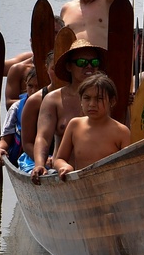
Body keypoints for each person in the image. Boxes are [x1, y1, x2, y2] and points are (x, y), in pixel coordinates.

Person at [32, 35, 106, 177]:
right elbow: (43, 137)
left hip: (101, 174)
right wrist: (40, 164)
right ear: (69, 66)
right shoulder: (53, 99)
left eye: (94, 62)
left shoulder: (108, 98)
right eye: (82, 62)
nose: (89, 66)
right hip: (63, 173)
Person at [52, 74, 130, 176]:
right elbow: (59, 159)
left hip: (111, 187)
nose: (92, 104)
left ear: (112, 101)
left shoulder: (121, 132)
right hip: (81, 187)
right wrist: (64, 166)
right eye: (87, 98)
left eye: (99, 99)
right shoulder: (75, 125)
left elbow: (129, 166)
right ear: (80, 100)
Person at [0, 67, 39, 167]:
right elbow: (5, 139)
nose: (33, 91)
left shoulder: (52, 105)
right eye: (30, 86)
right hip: (22, 158)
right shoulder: (16, 107)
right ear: (25, 86)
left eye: (38, 86)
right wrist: (0, 149)